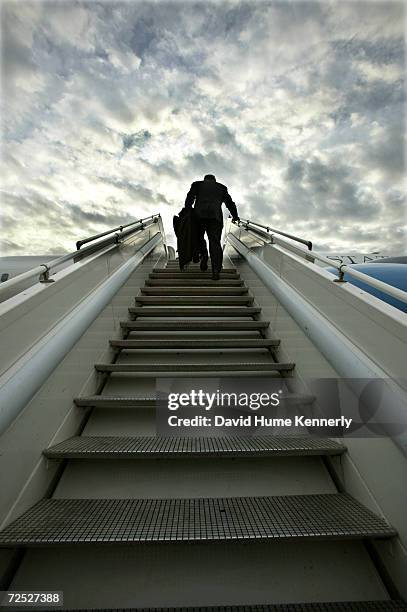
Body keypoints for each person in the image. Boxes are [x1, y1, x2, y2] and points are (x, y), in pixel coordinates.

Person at [184, 174, 239, 280]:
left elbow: (190, 197)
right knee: (214, 242)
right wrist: (235, 216)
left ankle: (204, 254)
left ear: (205, 179)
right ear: (214, 180)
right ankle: (215, 270)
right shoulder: (221, 187)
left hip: (199, 216)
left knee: (198, 238)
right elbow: (230, 203)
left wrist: (187, 209)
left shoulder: (197, 184)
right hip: (215, 217)